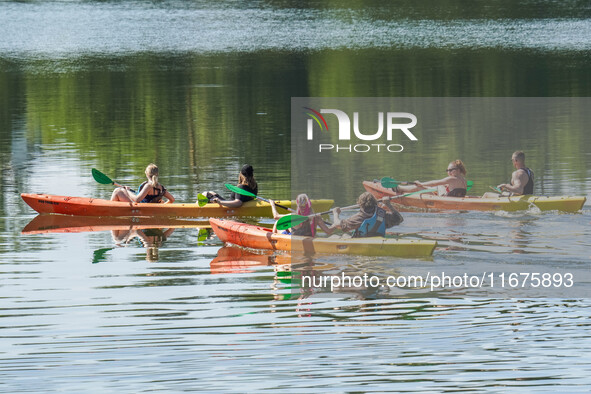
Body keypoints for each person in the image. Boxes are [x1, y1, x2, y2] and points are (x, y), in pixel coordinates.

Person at [318, 192, 404, 238]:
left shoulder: (359, 217)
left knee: (336, 236)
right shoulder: (382, 215)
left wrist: (335, 213)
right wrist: (388, 205)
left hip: (361, 243)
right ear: (375, 203)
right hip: (378, 241)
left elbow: (337, 224)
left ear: (360, 204)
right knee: (345, 235)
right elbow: (399, 219)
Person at [394, 159, 468, 197]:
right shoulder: (464, 180)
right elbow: (455, 190)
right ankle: (404, 188)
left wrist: (421, 184)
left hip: (443, 200)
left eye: (451, 170)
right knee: (440, 186)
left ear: (458, 170)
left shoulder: (452, 179)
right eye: (447, 170)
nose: (449, 172)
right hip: (453, 198)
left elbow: (434, 182)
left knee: (420, 188)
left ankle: (400, 189)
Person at [111, 163, 175, 203]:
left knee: (117, 191)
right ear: (157, 174)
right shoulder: (161, 187)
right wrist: (162, 206)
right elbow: (172, 199)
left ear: (147, 174)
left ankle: (110, 210)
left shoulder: (148, 186)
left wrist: (127, 191)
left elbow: (137, 199)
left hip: (140, 209)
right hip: (148, 209)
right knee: (121, 190)